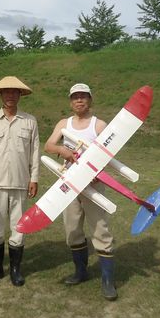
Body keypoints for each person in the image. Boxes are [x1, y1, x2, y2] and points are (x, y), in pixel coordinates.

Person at [44, 83, 117, 301]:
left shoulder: (99, 125)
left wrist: (98, 170)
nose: (79, 100)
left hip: (93, 184)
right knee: (72, 229)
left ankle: (107, 281)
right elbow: (48, 145)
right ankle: (80, 271)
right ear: (70, 101)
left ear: (90, 100)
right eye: (75, 97)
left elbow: (109, 154)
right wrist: (61, 150)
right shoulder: (64, 124)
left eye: (83, 97)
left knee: (100, 230)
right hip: (69, 184)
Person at [0, 76, 40, 287]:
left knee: (19, 227)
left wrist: (34, 178)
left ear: (20, 95)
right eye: (6, 92)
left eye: (15, 92)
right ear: (0, 95)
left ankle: (15, 269)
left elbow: (35, 152)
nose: (10, 95)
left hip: (21, 183)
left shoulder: (30, 120)